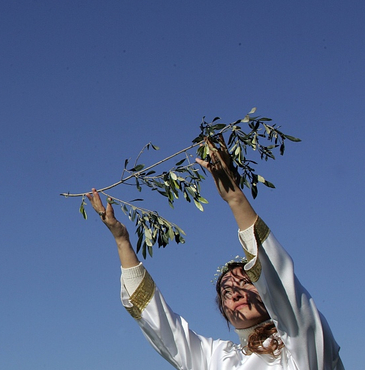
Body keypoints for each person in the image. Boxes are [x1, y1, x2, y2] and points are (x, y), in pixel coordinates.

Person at [86, 139, 344, 369]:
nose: (236, 294)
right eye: (227, 293)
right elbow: (165, 329)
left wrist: (235, 199)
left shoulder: (301, 343)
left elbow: (282, 287)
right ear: (224, 312)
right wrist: (122, 242)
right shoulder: (217, 358)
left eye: (246, 283)